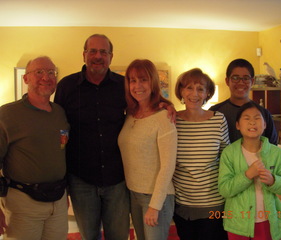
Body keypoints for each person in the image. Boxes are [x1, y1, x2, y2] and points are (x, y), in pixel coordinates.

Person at [54, 34, 130, 240]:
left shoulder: (124, 85)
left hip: (118, 179)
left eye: (103, 52)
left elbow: (144, 110)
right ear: (84, 54)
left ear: (111, 56)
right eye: (93, 51)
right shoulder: (66, 86)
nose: (98, 56)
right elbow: (58, 130)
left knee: (119, 236)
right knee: (89, 236)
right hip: (81, 180)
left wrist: (165, 104)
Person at [0, 56, 69, 239]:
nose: (46, 77)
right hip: (23, 203)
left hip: (58, 201)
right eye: (39, 72)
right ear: (25, 79)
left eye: (51, 72)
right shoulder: (7, 114)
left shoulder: (60, 113)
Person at [118, 59, 177, 240]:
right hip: (134, 194)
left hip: (156, 197)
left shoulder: (164, 118)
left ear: (153, 81)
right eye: (132, 80)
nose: (137, 86)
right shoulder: (129, 114)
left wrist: (155, 205)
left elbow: (168, 166)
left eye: (143, 79)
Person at [218, 101, 281, 240]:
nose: (252, 122)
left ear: (264, 125)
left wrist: (273, 181)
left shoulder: (276, 153)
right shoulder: (229, 153)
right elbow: (225, 189)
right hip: (238, 221)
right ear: (238, 125)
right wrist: (247, 175)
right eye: (247, 118)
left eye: (257, 118)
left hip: (267, 220)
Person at [173, 68, 230, 240]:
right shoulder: (171, 120)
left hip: (214, 203)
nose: (194, 93)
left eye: (200, 88)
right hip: (182, 204)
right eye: (189, 87)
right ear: (181, 91)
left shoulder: (218, 119)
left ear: (207, 93)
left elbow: (227, 159)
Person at [210, 58, 278, 144]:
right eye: (235, 78)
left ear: (252, 81)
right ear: (227, 81)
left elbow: (272, 148)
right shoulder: (214, 112)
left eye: (246, 78)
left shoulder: (263, 114)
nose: (241, 83)